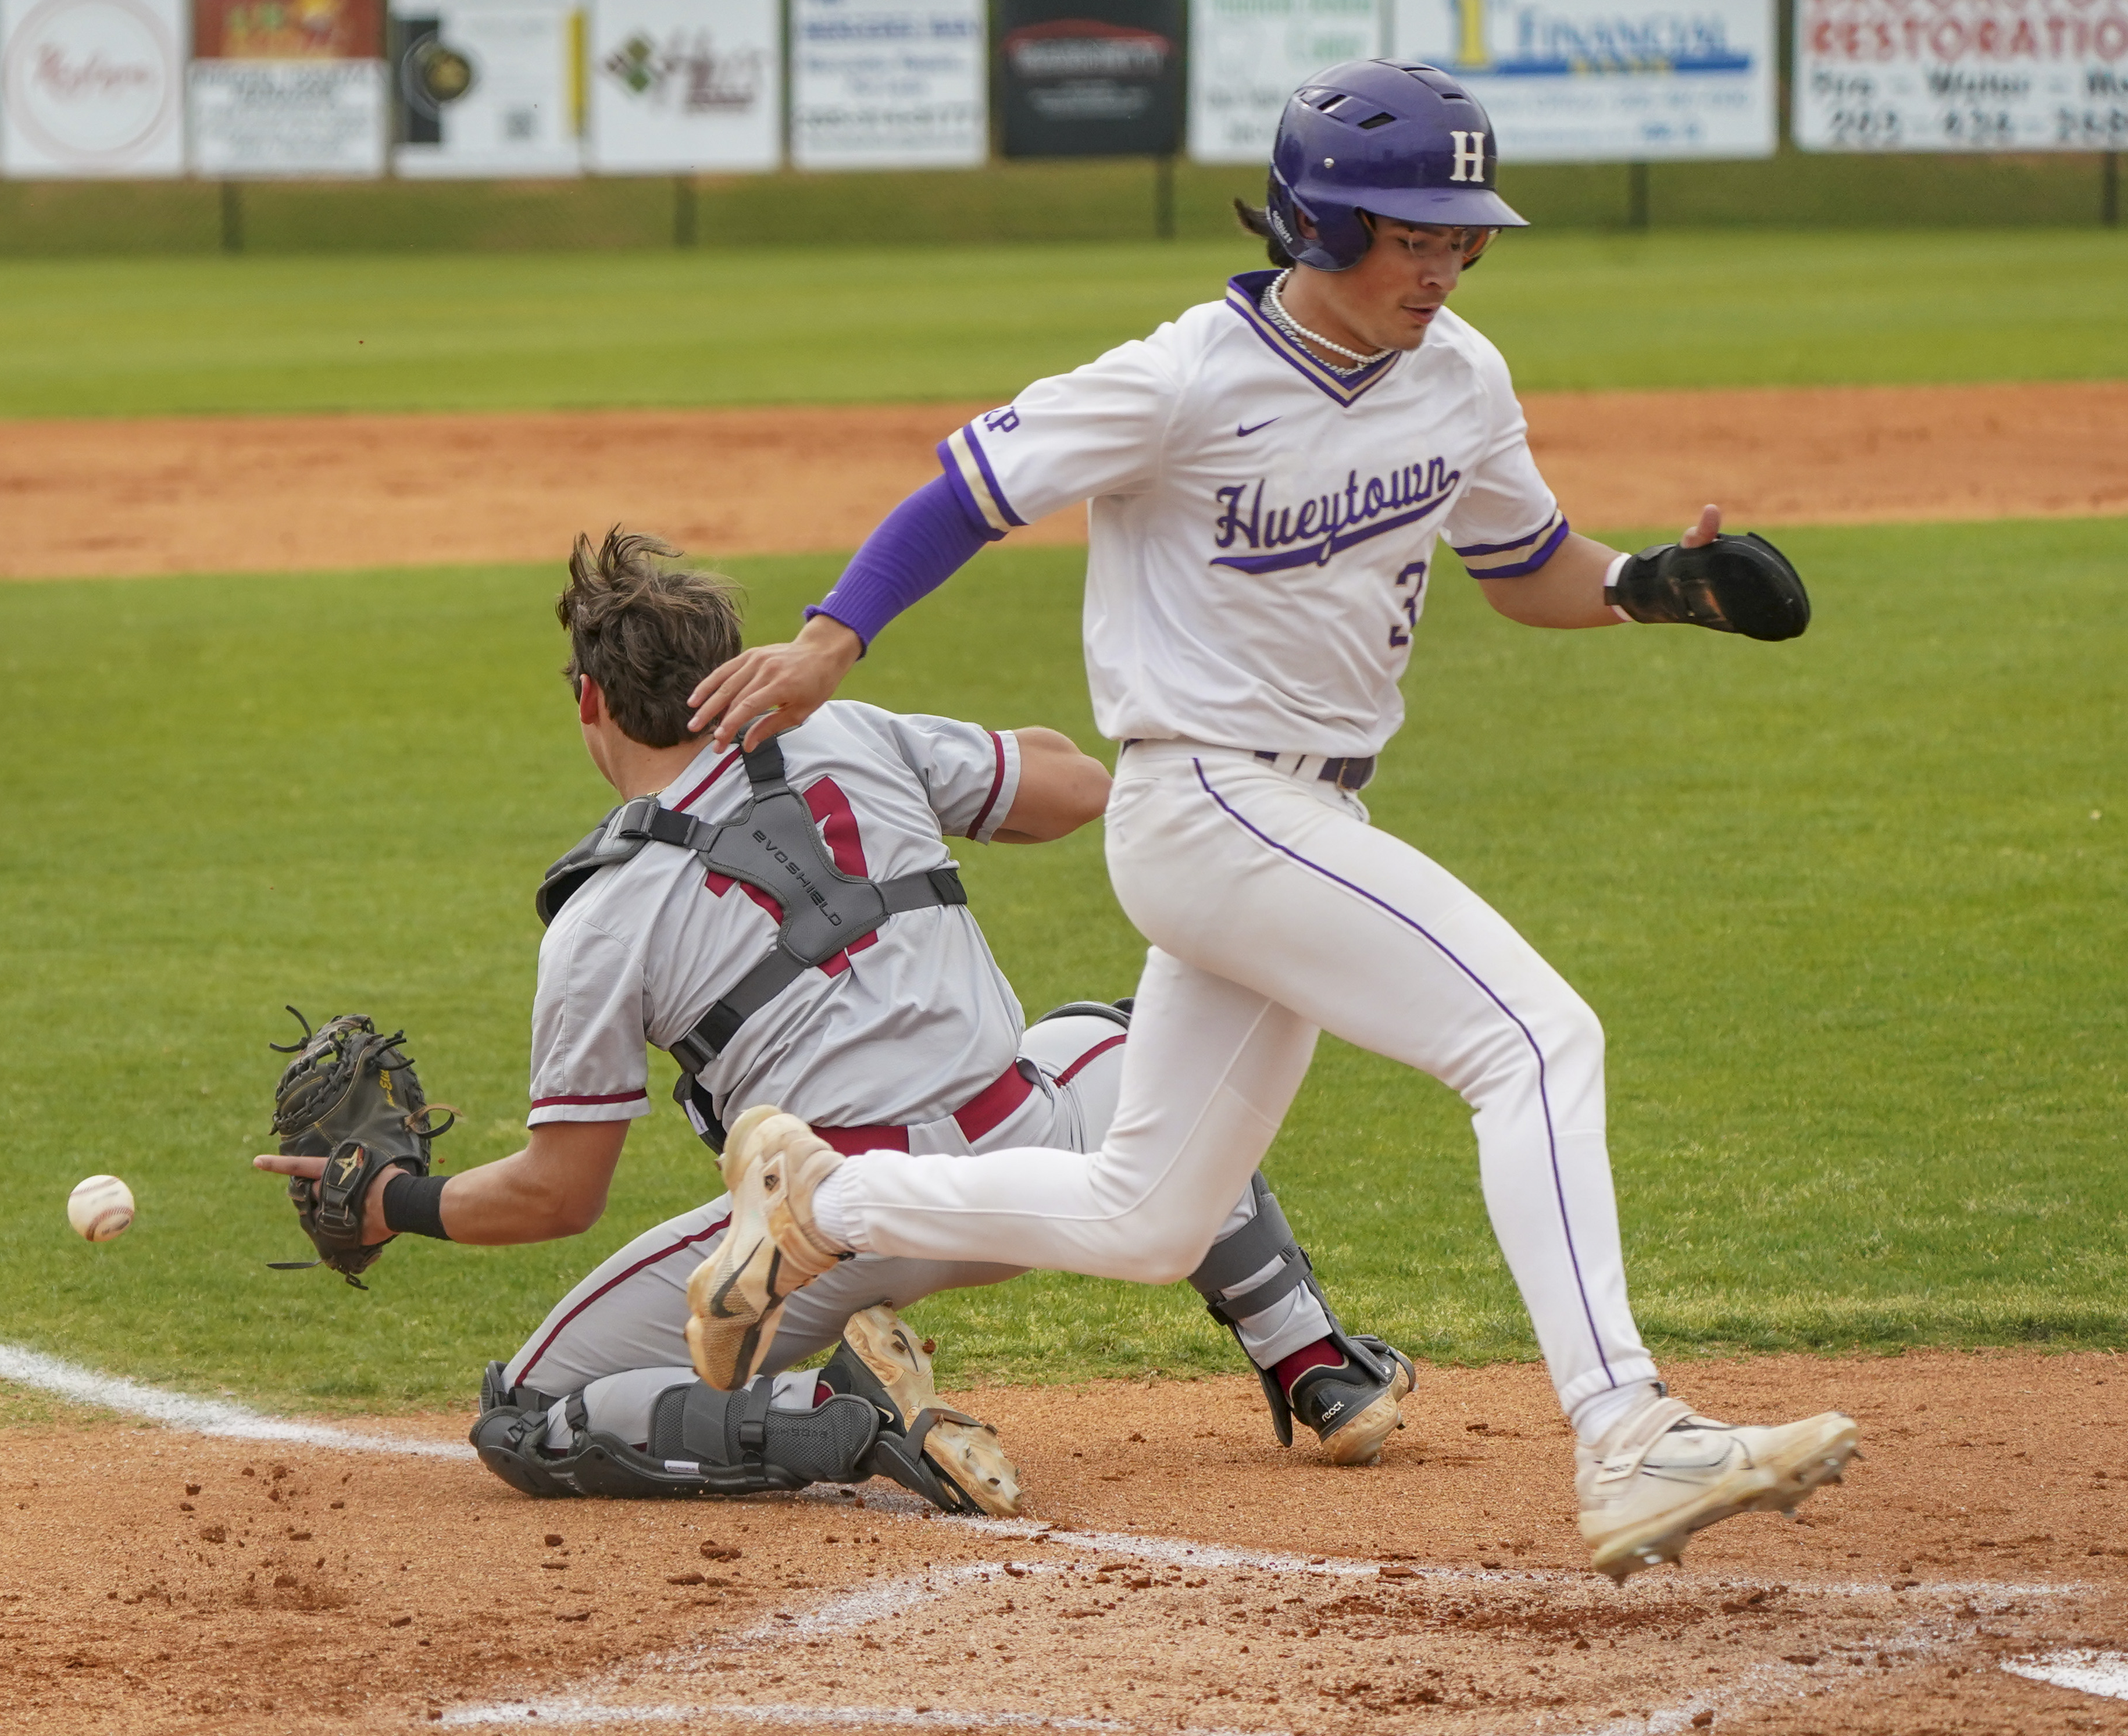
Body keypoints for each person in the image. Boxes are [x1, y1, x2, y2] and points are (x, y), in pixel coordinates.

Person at [676, 60, 1855, 1583]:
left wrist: (1655, 590)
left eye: (1463, 239)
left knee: (1151, 1212)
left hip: (1300, 815)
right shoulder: (1183, 377)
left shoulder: (1462, 378)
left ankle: (821, 1197)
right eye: (1413, 235)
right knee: (1535, 1038)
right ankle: (1627, 1432)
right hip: (1210, 799)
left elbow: (1530, 562)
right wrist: (833, 640)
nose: (1445, 265)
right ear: (1320, 219)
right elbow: (969, 490)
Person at [253, 528, 1418, 1515]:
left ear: (589, 699)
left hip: (827, 1230)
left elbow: (560, 1192)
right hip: (1038, 1165)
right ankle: (1317, 1361)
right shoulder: (848, 735)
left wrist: (389, 1200)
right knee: (1116, 1041)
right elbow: (1076, 785)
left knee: (524, 1416)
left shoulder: (598, 918)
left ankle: (841, 1419)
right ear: (740, 668)